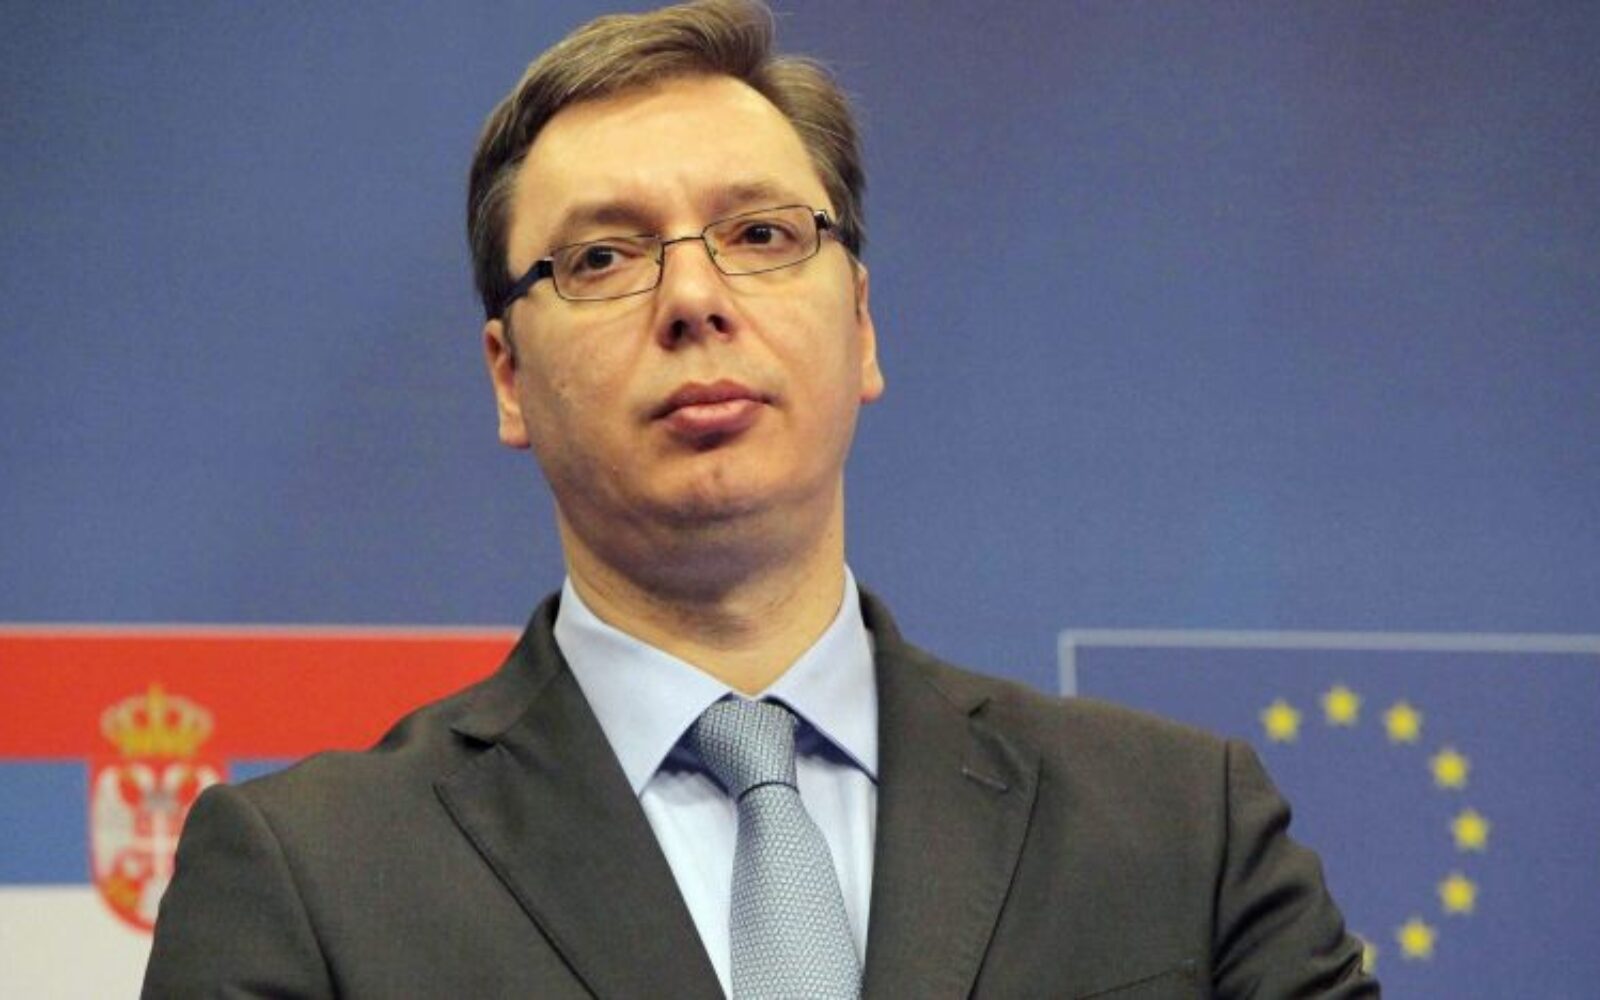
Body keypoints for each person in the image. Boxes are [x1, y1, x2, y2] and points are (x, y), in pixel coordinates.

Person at [144, 1, 1376, 997]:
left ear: (862, 324)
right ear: (508, 376)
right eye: (603, 257)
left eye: (763, 235)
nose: (694, 299)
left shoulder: (1181, 830)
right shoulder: (313, 878)